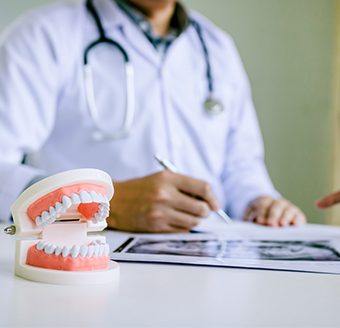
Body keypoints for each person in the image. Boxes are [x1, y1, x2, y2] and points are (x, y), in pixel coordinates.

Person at [0, 0, 306, 232]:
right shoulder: (44, 34)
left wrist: (260, 202)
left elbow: (242, 166)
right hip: (89, 252)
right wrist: (106, 203)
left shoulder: (216, 46)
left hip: (210, 260)